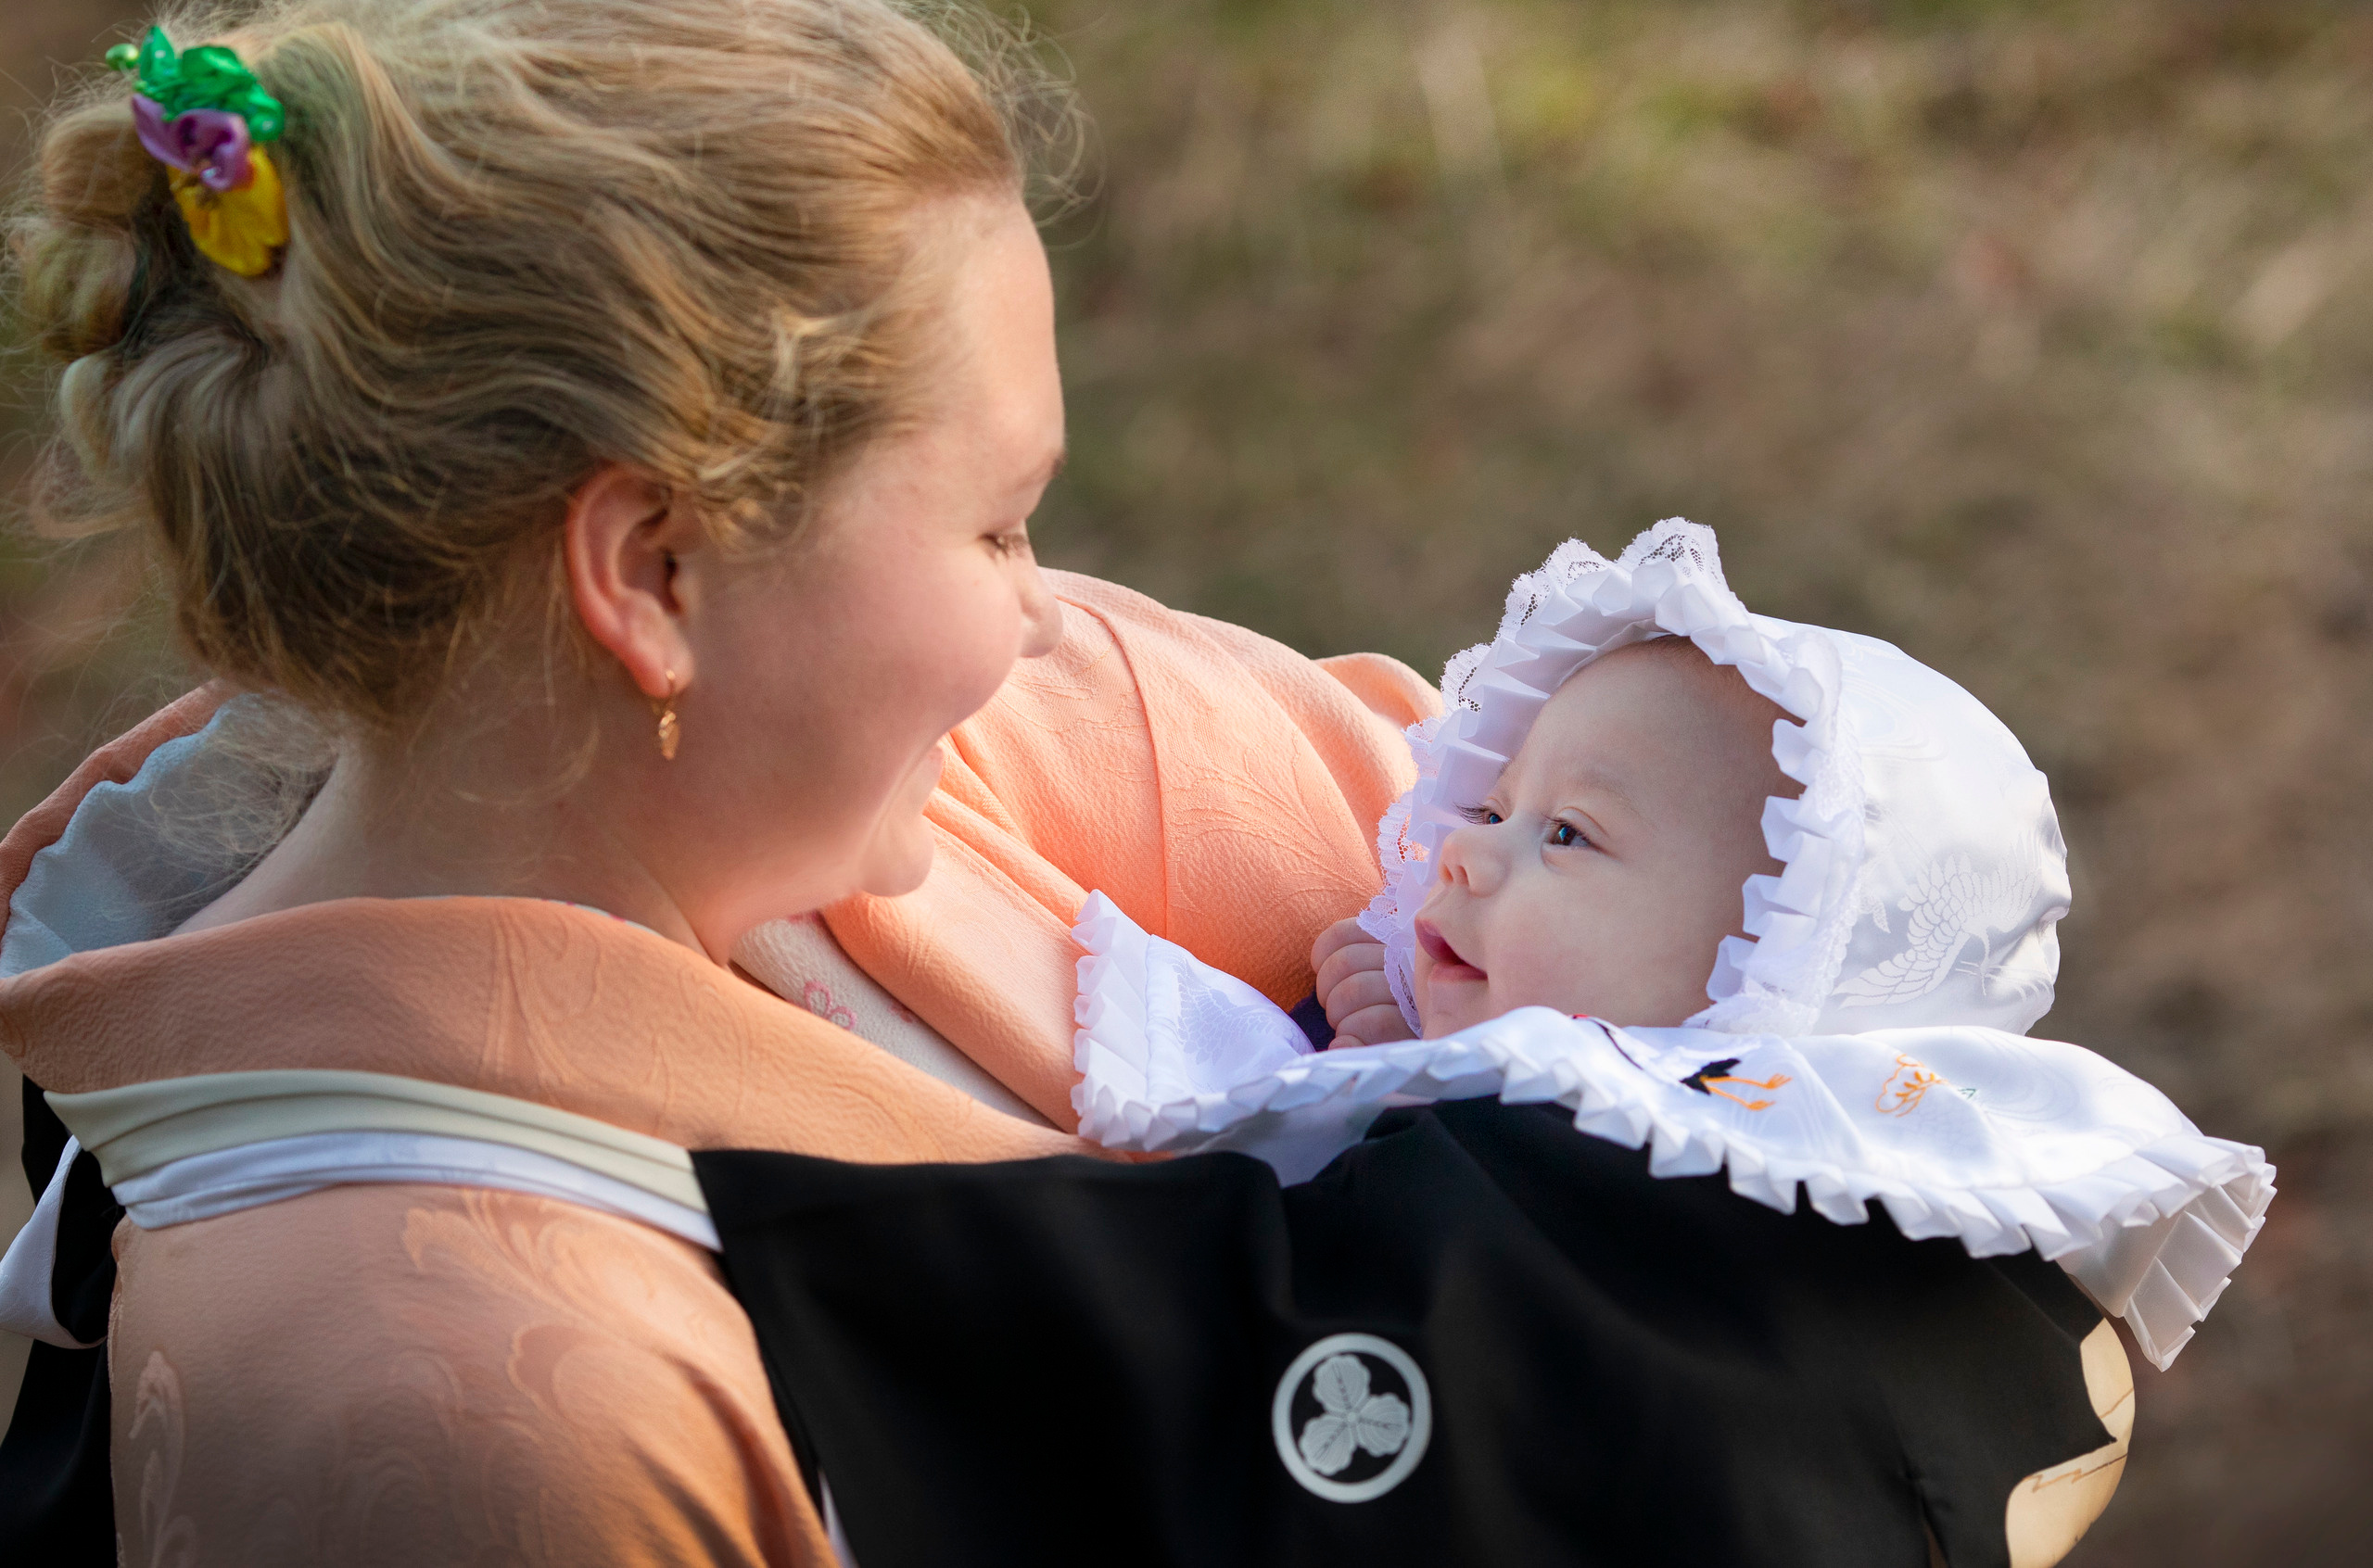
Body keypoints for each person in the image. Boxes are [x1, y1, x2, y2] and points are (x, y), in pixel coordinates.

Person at [0, 3, 1431, 1560]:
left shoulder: (890, 754)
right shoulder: (481, 1422)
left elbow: (1640, 822)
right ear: (655, 572)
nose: (1040, 609)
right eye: (999, 525)